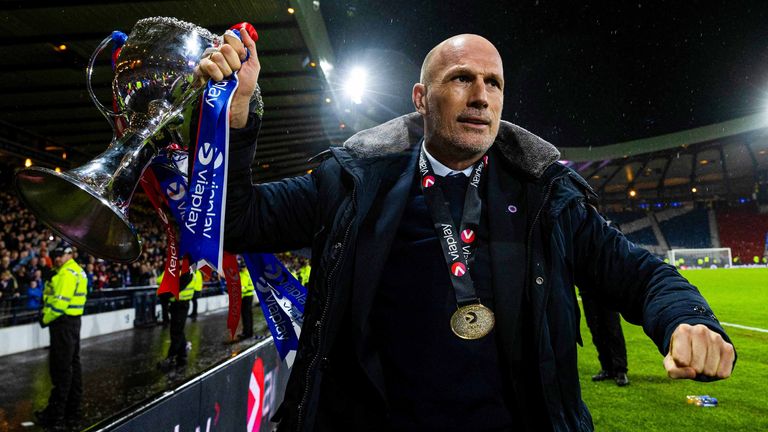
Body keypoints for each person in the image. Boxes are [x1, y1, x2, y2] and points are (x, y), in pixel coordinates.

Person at [203, 31, 735, 431]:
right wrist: (237, 114)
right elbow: (236, 221)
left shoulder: (547, 196)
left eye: (493, 83)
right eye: (462, 79)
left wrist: (687, 319)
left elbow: (639, 274)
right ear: (420, 98)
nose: (481, 96)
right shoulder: (352, 182)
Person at [35, 245, 88, 431]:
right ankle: (71, 411)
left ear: (69, 255)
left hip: (62, 324)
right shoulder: (77, 271)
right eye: (55, 255)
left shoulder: (66, 274)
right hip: (73, 323)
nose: (57, 258)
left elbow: (59, 304)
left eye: (60, 255)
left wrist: (44, 318)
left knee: (61, 370)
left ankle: (55, 416)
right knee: (73, 367)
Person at [581, 291, 630, 386]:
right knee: (595, 330)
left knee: (613, 330)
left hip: (607, 292)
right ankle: (606, 368)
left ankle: (620, 370)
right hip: (587, 292)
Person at [157, 269, 195, 371]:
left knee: (176, 332)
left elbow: (176, 287)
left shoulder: (187, 272)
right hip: (177, 304)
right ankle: (182, 356)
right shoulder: (180, 270)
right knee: (178, 331)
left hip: (181, 305)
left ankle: (170, 358)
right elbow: (161, 280)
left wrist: (163, 293)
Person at [238, 257, 255, 340]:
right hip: (250, 296)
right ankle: (249, 332)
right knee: (249, 315)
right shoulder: (249, 273)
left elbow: (242, 288)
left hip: (245, 297)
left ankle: (246, 333)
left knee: (245, 316)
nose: (242, 268)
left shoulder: (243, 275)